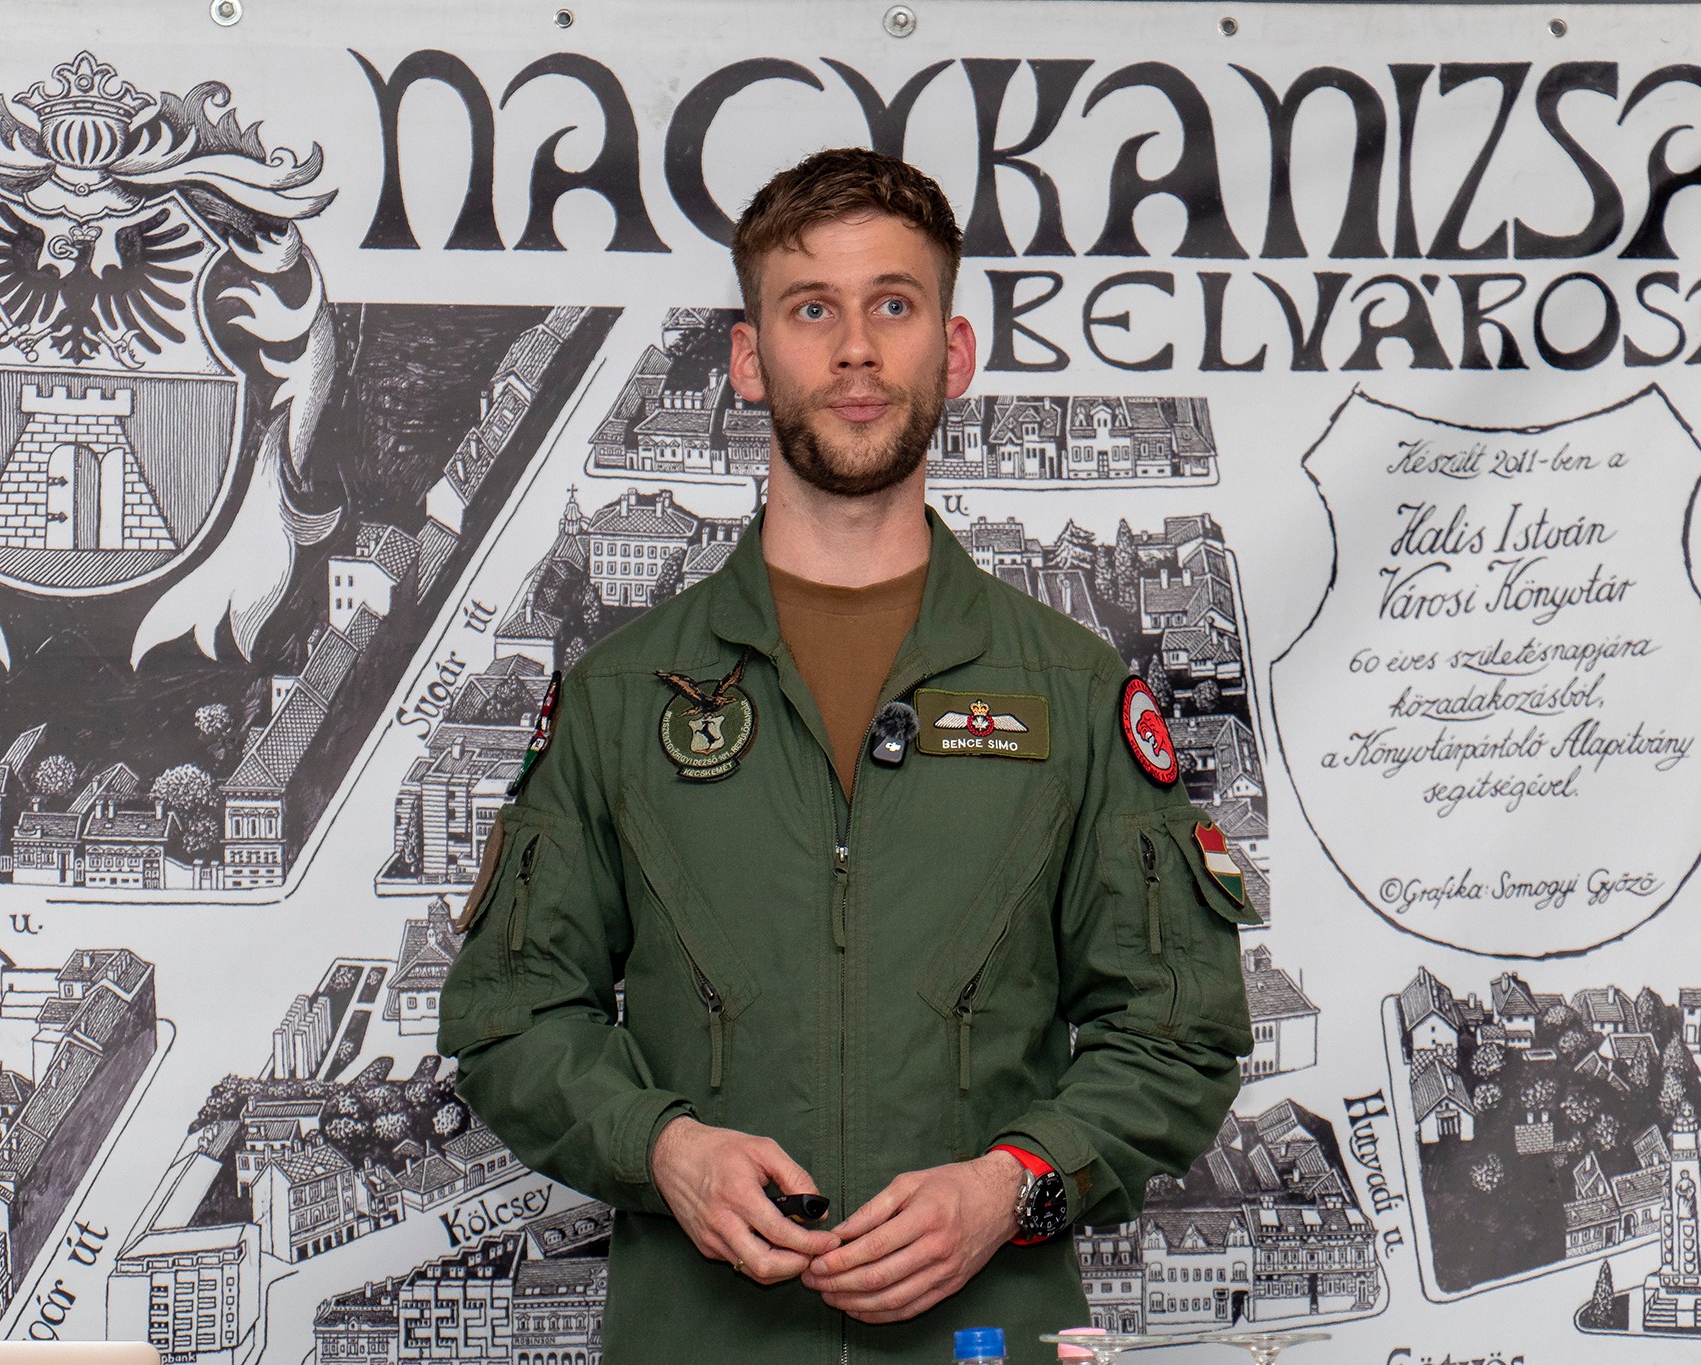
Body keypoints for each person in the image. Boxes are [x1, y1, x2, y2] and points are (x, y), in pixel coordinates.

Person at [439, 147, 1257, 1364]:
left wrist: (1015, 1183)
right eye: (810, 309)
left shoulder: (1077, 696)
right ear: (747, 357)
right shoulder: (618, 697)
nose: (856, 350)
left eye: (894, 305)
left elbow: (1177, 1032)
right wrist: (663, 1147)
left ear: (954, 352)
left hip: (981, 1338)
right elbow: (510, 1015)